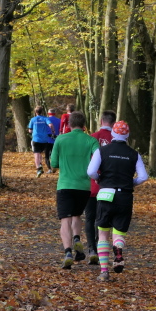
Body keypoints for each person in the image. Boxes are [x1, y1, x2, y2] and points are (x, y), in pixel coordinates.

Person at [87, 120, 149, 281]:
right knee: (119, 231)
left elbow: (91, 171)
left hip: (105, 194)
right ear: (128, 135)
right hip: (124, 196)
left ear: (113, 134)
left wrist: (99, 178)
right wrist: (131, 183)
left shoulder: (102, 151)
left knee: (103, 233)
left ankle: (104, 271)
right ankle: (118, 250)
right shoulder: (134, 154)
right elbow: (143, 176)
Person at [50, 111, 100, 269]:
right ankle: (77, 238)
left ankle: (68, 253)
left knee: (65, 219)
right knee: (77, 215)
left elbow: (53, 163)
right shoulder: (91, 140)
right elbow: (98, 159)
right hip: (84, 186)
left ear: (69, 124)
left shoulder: (60, 139)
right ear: (84, 125)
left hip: (65, 184)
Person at [87, 110, 117, 265]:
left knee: (90, 218)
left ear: (101, 121)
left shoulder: (92, 137)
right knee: (104, 220)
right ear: (114, 123)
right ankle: (101, 249)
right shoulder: (117, 140)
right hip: (109, 187)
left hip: (92, 185)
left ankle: (91, 249)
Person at [27, 106, 56, 178]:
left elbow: (30, 130)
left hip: (36, 139)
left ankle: (39, 169)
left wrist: (32, 131)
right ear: (42, 112)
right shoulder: (45, 118)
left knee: (36, 153)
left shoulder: (33, 119)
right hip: (44, 139)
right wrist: (53, 131)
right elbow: (50, 125)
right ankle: (40, 164)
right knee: (40, 152)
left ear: (35, 112)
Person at [46, 109, 62, 173]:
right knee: (56, 154)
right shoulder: (59, 120)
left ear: (48, 113)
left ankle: (50, 168)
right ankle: (56, 167)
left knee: (47, 155)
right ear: (55, 113)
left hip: (47, 139)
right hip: (56, 139)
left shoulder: (46, 120)